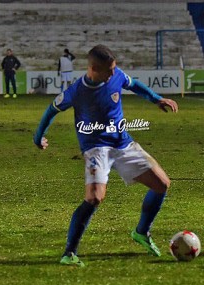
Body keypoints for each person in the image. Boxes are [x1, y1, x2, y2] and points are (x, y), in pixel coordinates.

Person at [33, 44, 178, 267]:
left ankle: (141, 232)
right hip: (95, 147)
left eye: (114, 69)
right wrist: (38, 137)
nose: (113, 74)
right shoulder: (76, 91)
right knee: (94, 198)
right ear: (93, 68)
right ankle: (69, 253)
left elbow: (134, 84)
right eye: (108, 70)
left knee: (162, 184)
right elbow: (51, 110)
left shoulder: (116, 74)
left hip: (123, 144)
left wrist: (156, 99)